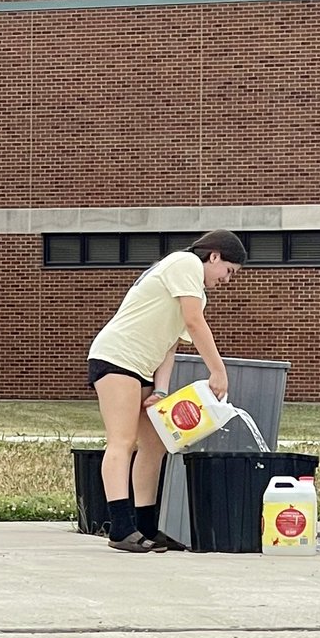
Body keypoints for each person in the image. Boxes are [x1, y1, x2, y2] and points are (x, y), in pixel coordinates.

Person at [86, 230, 246, 552]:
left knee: (155, 444)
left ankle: (145, 527)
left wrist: (160, 391)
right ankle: (120, 529)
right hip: (116, 358)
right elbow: (194, 323)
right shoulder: (184, 263)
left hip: (142, 367)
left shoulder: (194, 291)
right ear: (213, 255)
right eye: (229, 270)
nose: (228, 280)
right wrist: (218, 370)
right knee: (122, 441)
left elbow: (170, 346)